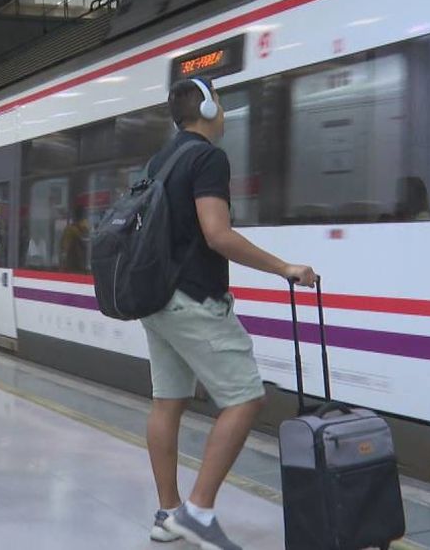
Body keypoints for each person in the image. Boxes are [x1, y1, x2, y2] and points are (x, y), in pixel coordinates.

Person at [142, 78, 317, 550]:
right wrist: (284, 267)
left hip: (157, 300)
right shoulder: (207, 158)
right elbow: (217, 234)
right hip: (195, 299)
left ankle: (168, 513)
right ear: (206, 106)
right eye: (218, 101)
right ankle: (198, 512)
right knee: (245, 397)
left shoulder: (160, 161)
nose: (221, 110)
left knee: (168, 401)